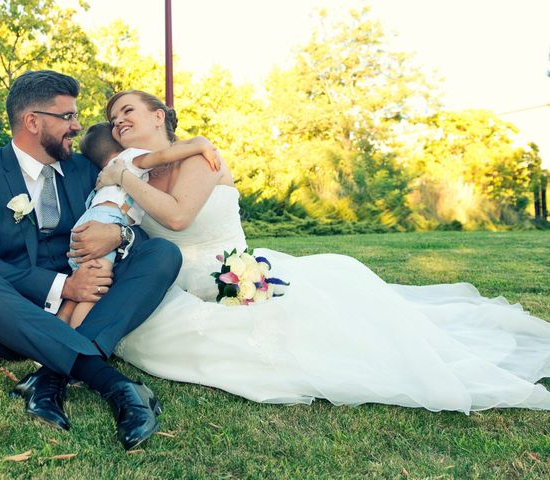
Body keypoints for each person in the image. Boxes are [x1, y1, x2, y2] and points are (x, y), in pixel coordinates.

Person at [91, 89, 550, 413]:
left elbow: (176, 218)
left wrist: (121, 176)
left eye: (127, 110)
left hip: (235, 272)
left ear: (158, 116)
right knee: (148, 338)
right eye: (113, 120)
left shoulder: (198, 157)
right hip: (174, 285)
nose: (119, 122)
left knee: (316, 336)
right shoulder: (136, 175)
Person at [0, 71, 183, 451]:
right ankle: (115, 385)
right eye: (67, 117)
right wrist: (65, 287)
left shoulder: (86, 168)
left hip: (88, 298)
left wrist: (118, 235)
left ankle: (49, 377)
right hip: (15, 312)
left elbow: (118, 215)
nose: (77, 126)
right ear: (33, 121)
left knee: (162, 253)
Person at [57, 122, 220, 328]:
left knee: (79, 287)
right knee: (94, 288)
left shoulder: (104, 171)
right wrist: (200, 146)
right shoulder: (128, 159)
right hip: (107, 221)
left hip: (88, 222)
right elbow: (162, 156)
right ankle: (73, 341)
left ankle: (56, 331)